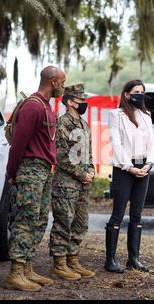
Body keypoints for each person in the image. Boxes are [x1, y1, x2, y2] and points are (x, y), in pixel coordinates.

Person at [4, 66, 65, 292]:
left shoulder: (47, 107)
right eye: (63, 82)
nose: (64, 88)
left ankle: (27, 267)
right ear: (53, 82)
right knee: (26, 219)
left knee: (39, 220)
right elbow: (17, 145)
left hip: (44, 170)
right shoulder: (33, 106)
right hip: (30, 169)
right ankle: (15, 273)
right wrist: (11, 172)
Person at [105, 80, 154, 274]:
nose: (140, 95)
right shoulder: (116, 115)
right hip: (124, 169)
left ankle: (133, 258)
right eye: (136, 92)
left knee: (137, 214)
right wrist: (129, 167)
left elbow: (152, 142)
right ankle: (110, 260)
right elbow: (116, 144)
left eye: (142, 92)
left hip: (144, 167)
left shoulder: (146, 116)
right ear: (126, 94)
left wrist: (149, 164)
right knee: (118, 214)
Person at [49, 84, 96, 281]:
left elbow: (88, 153)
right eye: (81, 101)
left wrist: (91, 169)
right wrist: (80, 174)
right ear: (69, 102)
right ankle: (59, 264)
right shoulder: (62, 124)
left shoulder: (84, 124)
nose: (85, 104)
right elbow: (61, 156)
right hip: (66, 183)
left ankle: (73, 259)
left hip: (83, 183)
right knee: (63, 223)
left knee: (80, 223)